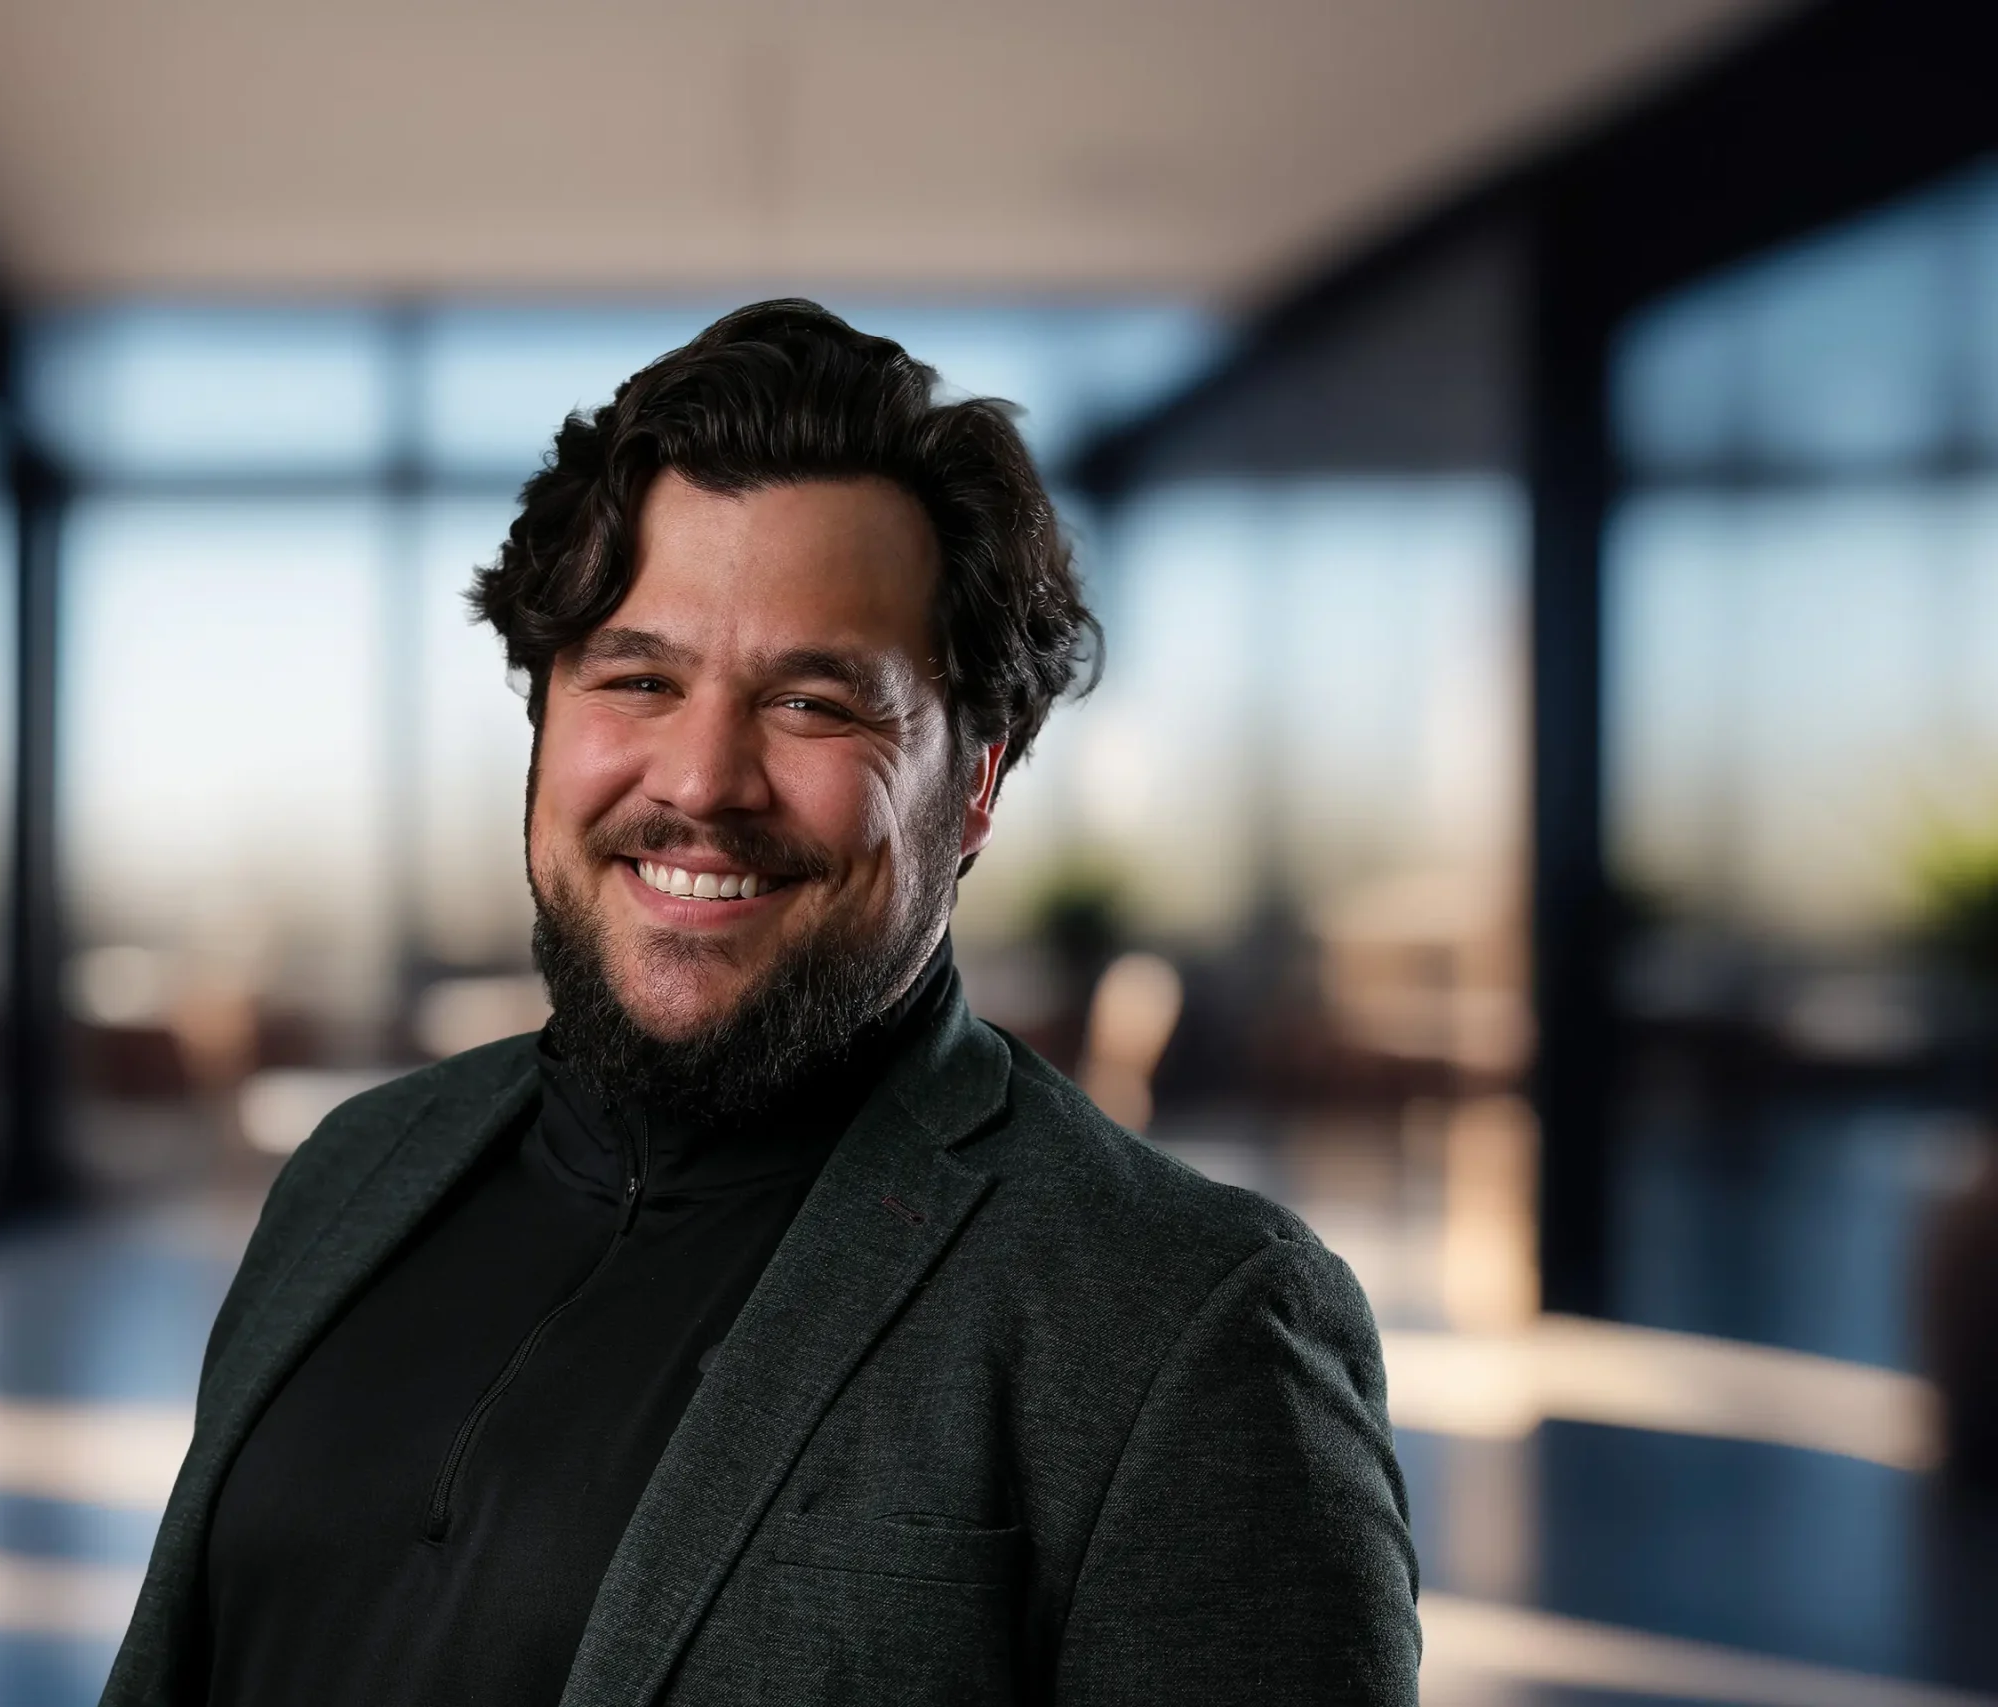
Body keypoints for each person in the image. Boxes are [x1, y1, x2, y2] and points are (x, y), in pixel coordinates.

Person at [103, 300, 1419, 1706]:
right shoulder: (348, 1176)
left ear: (973, 781)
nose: (701, 780)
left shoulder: (1184, 1326)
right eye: (638, 676)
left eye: (814, 703)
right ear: (544, 714)